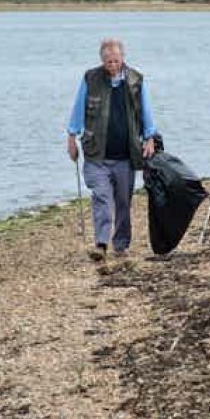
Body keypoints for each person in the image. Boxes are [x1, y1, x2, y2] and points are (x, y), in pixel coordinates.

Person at [67, 38, 157, 261]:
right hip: (96, 155)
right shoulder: (91, 78)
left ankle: (121, 244)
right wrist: (71, 136)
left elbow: (146, 112)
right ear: (102, 60)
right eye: (109, 62)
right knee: (103, 198)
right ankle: (101, 244)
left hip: (126, 156)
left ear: (122, 58)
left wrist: (150, 137)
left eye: (116, 61)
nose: (113, 65)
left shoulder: (136, 80)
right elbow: (78, 109)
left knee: (124, 202)